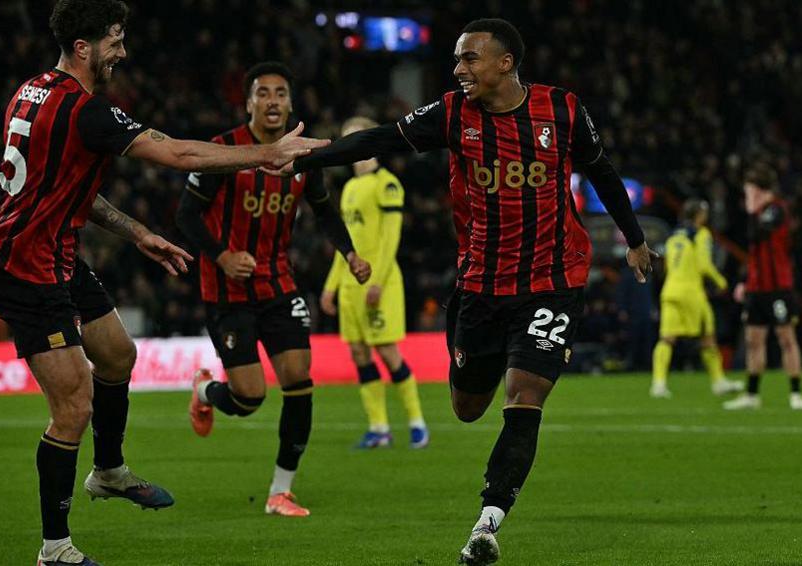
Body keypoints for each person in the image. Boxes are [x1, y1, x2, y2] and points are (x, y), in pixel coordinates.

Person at [271, 18, 657, 565]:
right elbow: (383, 138)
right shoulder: (453, 114)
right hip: (481, 284)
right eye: (457, 59)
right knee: (468, 407)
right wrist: (306, 156)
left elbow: (602, 172)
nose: (458, 69)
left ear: (505, 62)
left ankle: (488, 522)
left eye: (469, 58)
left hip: (553, 279)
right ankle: (484, 373)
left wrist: (634, 240)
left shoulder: (563, 110)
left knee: (525, 393)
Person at [0, 2, 328, 564]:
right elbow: (178, 152)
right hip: (26, 268)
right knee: (73, 409)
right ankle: (54, 549)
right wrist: (268, 153)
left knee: (118, 355)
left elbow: (67, 187)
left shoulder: (32, 90)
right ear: (85, 47)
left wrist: (137, 231)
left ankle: (109, 470)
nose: (123, 51)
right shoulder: (88, 111)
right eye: (115, 40)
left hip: (59, 255)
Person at [177, 61, 371, 517]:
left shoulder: (302, 156)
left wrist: (350, 254)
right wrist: (222, 256)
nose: (272, 101)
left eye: (280, 93)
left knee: (299, 379)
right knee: (248, 398)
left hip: (279, 282)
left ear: (290, 103)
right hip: (226, 289)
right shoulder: (223, 150)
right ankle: (205, 391)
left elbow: (324, 210)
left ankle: (280, 491)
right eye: (262, 93)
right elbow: (185, 215)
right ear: (248, 103)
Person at [320, 116, 429, 450]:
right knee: (358, 352)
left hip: (380, 282)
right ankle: (379, 428)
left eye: (356, 138)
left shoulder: (387, 184)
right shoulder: (350, 189)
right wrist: (331, 286)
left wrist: (377, 281)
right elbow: (345, 245)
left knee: (387, 351)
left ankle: (417, 423)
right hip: (350, 286)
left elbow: (389, 239)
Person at [724, 164, 802, 411]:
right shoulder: (759, 213)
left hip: (779, 287)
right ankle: (752, 395)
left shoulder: (776, 210)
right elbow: (754, 253)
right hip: (756, 288)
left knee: (786, 338)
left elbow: (757, 235)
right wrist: (744, 282)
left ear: (760, 190)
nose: (746, 197)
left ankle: (796, 393)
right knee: (753, 340)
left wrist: (752, 211)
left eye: (749, 191)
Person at [650, 199, 743, 398]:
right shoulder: (701, 234)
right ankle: (718, 381)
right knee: (708, 338)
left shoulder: (673, 235)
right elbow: (704, 265)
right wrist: (721, 282)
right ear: (699, 215)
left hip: (670, 291)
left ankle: (658, 384)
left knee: (666, 339)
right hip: (692, 293)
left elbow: (666, 266)